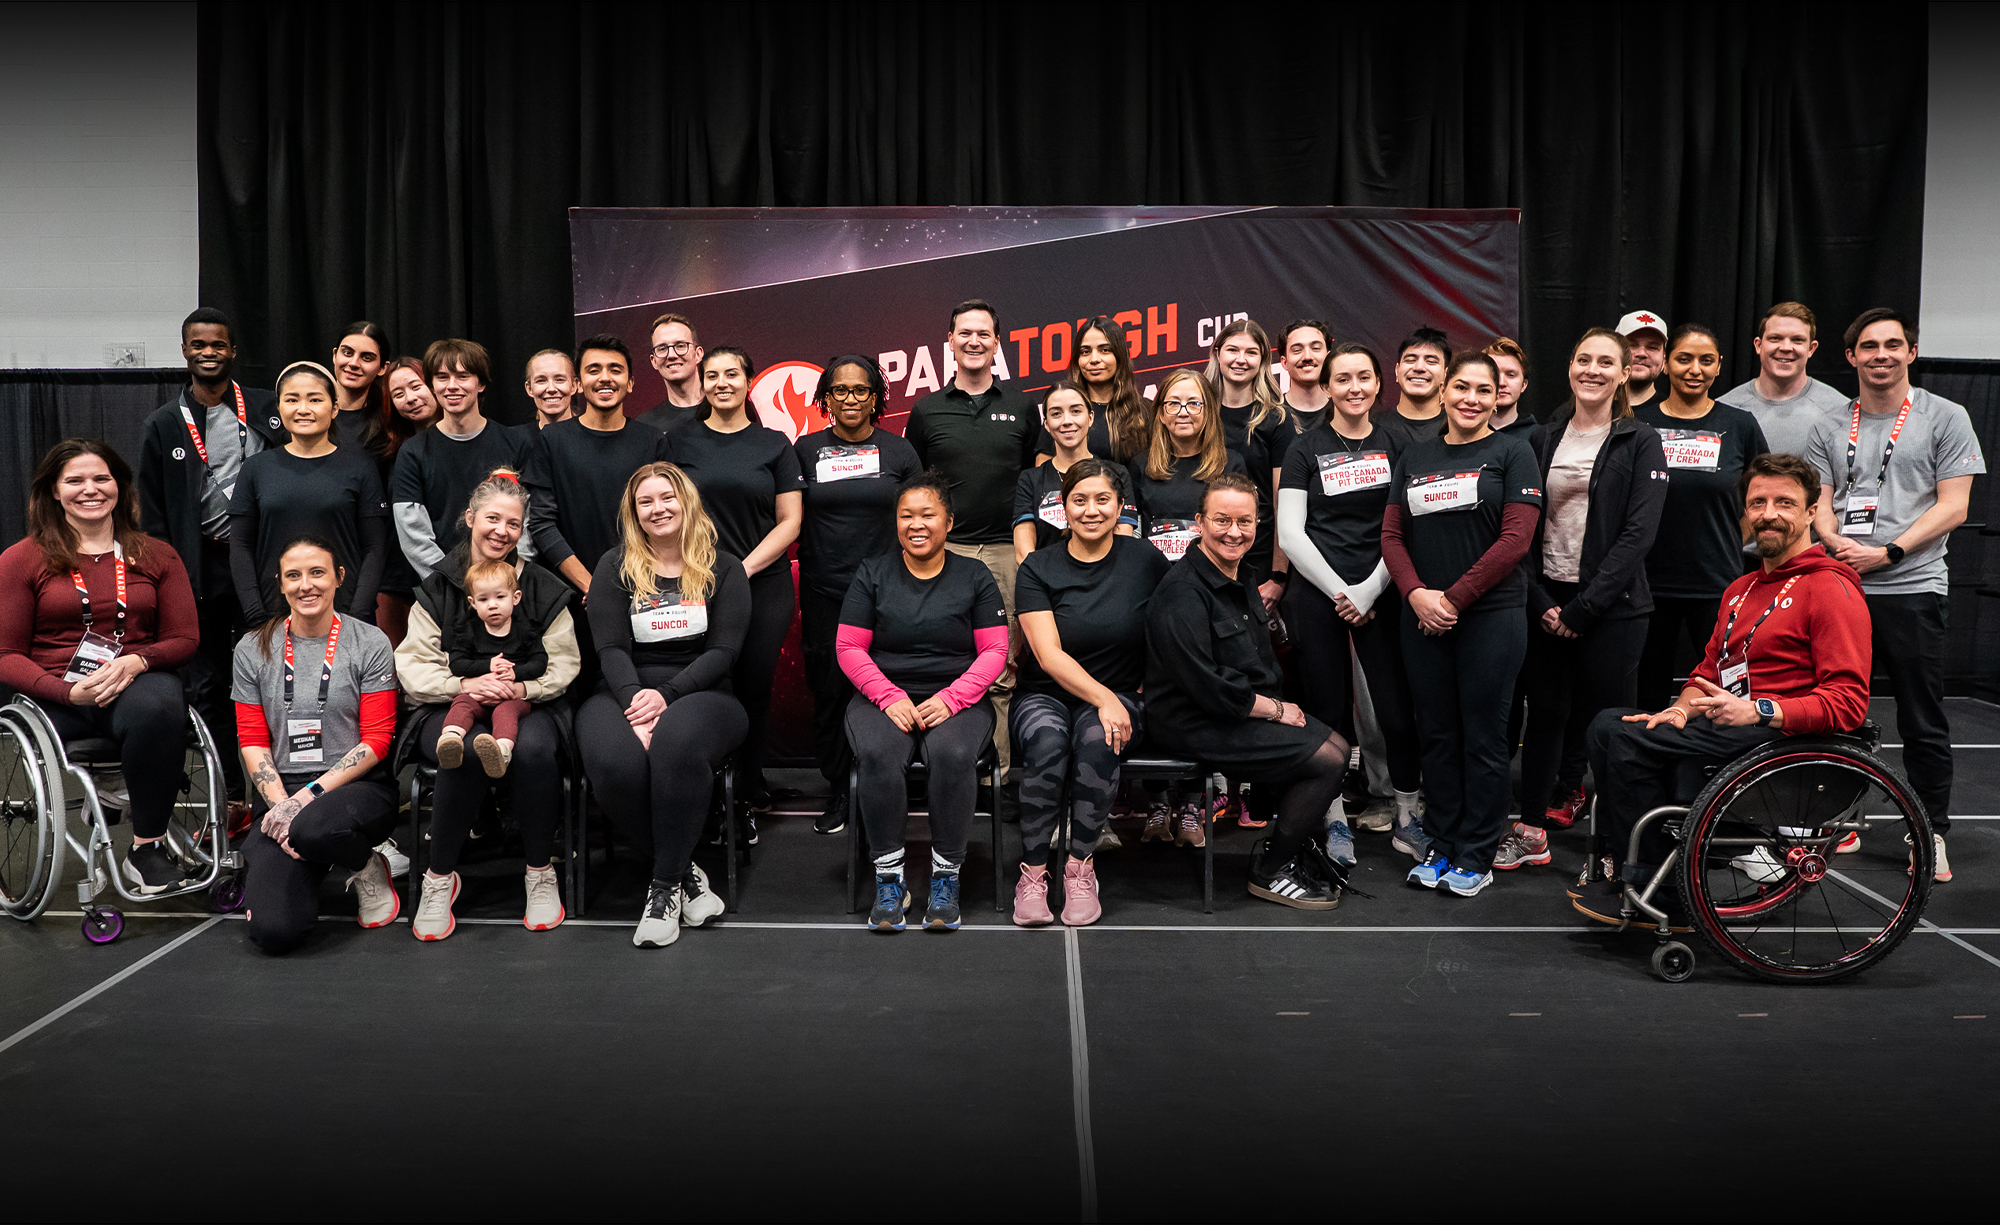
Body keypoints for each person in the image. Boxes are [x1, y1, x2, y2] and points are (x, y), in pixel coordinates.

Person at [1574, 453, 1872, 923]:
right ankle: (1641, 871)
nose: (1768, 513)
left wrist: (1760, 711)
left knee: (1626, 739)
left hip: (1783, 739)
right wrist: (1678, 712)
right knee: (1609, 725)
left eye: (1784, 503)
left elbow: (1849, 703)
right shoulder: (1741, 589)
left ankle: (1661, 890)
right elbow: (1708, 673)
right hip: (1731, 728)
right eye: (1758, 502)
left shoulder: (1830, 590)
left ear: (1812, 513)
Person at [1808, 308, 1985, 883]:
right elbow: (1819, 504)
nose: (1880, 354)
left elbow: (1954, 505)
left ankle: (1929, 831)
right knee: (1832, 714)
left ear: (1911, 352)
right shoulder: (1830, 424)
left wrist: (1888, 554)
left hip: (1911, 587)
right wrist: (1835, 543)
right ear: (1851, 356)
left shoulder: (1946, 416)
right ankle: (1829, 824)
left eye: (1892, 345)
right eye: (1868, 346)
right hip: (1841, 588)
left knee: (1921, 718)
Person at [1145, 472, 1352, 909]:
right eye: (1221, 520)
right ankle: (1272, 870)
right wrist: (1274, 711)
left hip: (1233, 709)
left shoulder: (1244, 578)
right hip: (1190, 718)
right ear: (1199, 522)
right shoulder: (1182, 591)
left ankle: (1290, 852)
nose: (1233, 532)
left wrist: (1276, 708)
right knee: (1327, 759)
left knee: (1335, 744)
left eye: (1245, 521)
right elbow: (1205, 685)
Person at [1, 440, 200, 894]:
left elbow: (185, 638)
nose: (90, 489)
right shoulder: (20, 560)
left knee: (162, 702)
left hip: (131, 685)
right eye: (75, 480)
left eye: (101, 478)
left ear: (119, 487)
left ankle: (145, 849)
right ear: (54, 491)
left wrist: (137, 660)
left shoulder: (157, 556)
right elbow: (5, 654)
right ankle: (111, 787)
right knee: (111, 709)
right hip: (57, 696)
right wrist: (67, 692)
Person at [1380, 351, 1544, 897]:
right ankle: (1442, 846)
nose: (1471, 398)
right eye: (1462, 387)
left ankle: (1476, 853)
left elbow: (1515, 541)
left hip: (1490, 618)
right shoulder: (1416, 455)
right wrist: (1416, 595)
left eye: (1484, 389)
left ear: (1498, 396)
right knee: (1438, 736)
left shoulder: (1513, 451)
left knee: (1484, 739)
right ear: (1445, 391)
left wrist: (1452, 598)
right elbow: (1391, 537)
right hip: (1423, 618)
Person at [394, 469, 581, 938]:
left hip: (528, 704)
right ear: (470, 518)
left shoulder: (541, 586)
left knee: (535, 751)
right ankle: (440, 878)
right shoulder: (436, 587)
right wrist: (466, 685)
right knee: (467, 749)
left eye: (513, 524)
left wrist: (522, 690)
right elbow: (414, 666)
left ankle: (540, 872)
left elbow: (563, 663)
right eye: (492, 519)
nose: (501, 531)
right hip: (449, 707)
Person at [1515, 330, 1669, 871]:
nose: (1593, 370)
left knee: (1611, 727)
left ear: (1625, 372)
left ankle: (1609, 847)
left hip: (1615, 608)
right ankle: (1529, 830)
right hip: (1546, 601)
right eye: (1584, 359)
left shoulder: (1641, 439)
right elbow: (1522, 527)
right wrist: (1540, 600)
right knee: (1547, 717)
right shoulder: (1541, 436)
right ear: (1571, 366)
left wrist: (1587, 607)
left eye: (1607, 362)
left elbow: (1638, 534)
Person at [578, 463, 748, 947]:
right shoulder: (614, 566)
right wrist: (635, 702)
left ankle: (661, 890)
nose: (658, 509)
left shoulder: (725, 567)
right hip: (622, 690)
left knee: (675, 744)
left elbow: (723, 652)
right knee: (613, 761)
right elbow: (610, 649)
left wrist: (666, 698)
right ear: (634, 513)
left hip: (704, 693)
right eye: (646, 502)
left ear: (687, 502)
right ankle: (685, 874)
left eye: (667, 498)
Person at [1276, 343, 1426, 866]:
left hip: (1382, 590)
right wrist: (1342, 591)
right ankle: (1333, 816)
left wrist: (1369, 590)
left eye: (1364, 377)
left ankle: (1408, 813)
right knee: (1328, 712)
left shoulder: (1398, 442)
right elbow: (1290, 533)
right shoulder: (1304, 447)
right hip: (1318, 595)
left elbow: (1407, 524)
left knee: (1396, 712)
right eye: (1343, 379)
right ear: (1328, 385)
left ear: (1378, 384)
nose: (1354, 388)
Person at [840, 473, 1009, 933]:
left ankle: (945, 877)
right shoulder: (872, 572)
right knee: (876, 754)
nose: (917, 524)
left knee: (954, 755)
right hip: (883, 695)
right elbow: (849, 648)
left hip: (957, 696)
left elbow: (995, 650)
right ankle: (890, 878)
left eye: (928, 514)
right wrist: (888, 695)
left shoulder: (974, 575)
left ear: (948, 521)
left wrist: (954, 698)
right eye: (906, 516)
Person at [1011, 459, 1171, 926]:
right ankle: (1034, 874)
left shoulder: (1146, 561)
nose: (1091, 510)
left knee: (1098, 738)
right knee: (1047, 740)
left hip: (1123, 695)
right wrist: (1104, 698)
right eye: (1079, 500)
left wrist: (1138, 689)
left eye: (1103, 500)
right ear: (1063, 507)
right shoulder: (1038, 566)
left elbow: (1170, 630)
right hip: (1046, 693)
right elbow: (1047, 653)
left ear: (1121, 506)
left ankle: (1080, 868)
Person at [137, 307, 285, 798]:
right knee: (210, 686)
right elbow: (154, 515)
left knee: (273, 677)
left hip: (265, 564)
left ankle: (285, 788)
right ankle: (232, 798)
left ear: (233, 351)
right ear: (184, 351)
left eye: (217, 344)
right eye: (198, 345)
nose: (208, 353)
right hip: (200, 568)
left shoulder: (268, 408)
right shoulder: (163, 424)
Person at [232, 537, 400, 954]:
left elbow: (378, 740)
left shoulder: (369, 643)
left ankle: (365, 864)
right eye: (293, 575)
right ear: (281, 584)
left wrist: (304, 802)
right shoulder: (252, 649)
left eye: (317, 572)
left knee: (316, 826)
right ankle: (308, 853)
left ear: (339, 578)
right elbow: (252, 740)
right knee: (274, 933)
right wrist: (280, 806)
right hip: (280, 793)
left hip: (355, 788)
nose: (306, 585)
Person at [664, 346, 803, 812]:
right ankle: (705, 782)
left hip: (762, 582)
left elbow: (790, 521)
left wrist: (739, 570)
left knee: (754, 681)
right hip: (691, 583)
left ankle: (749, 783)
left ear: (748, 382)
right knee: (705, 679)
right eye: (713, 375)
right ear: (702, 384)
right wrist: (710, 572)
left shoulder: (775, 445)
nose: (722, 382)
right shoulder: (679, 442)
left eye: (732, 374)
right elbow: (664, 511)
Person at [904, 300, 1039, 770]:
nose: (974, 341)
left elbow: (1036, 485)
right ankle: (953, 768)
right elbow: (915, 490)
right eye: (965, 333)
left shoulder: (1023, 408)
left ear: (997, 343)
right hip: (945, 554)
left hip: (1006, 550)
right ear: (950, 342)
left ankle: (995, 776)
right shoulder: (926, 410)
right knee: (952, 663)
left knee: (1001, 669)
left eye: (984, 333)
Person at [794, 355, 922, 836]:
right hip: (826, 590)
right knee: (830, 689)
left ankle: (886, 783)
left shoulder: (900, 453)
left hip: (888, 590)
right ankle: (839, 789)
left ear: (877, 399)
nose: (850, 399)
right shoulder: (805, 450)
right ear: (826, 398)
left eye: (861, 390)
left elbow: (919, 519)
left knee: (889, 685)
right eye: (840, 390)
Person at [1634, 324, 1769, 707]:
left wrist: (1732, 536)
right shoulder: (1637, 422)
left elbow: (1763, 495)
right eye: (1684, 358)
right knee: (1647, 694)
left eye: (1706, 360)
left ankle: (1716, 769)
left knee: (1719, 693)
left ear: (1718, 367)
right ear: (1665, 365)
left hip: (1716, 582)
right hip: (1645, 584)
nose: (1695, 369)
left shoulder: (1740, 425)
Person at [229, 362, 388, 625]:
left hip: (346, 614)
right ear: (279, 407)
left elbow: (374, 547)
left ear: (334, 408)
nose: (303, 409)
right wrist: (256, 614)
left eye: (315, 399)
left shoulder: (361, 468)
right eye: (292, 399)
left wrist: (357, 615)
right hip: (273, 616)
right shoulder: (256, 468)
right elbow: (241, 546)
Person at [525, 335, 672, 612]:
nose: (605, 378)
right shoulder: (551, 441)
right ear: (578, 384)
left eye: (615, 370)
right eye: (594, 370)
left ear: (630, 383)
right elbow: (542, 524)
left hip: (643, 590)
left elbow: (666, 520)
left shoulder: (653, 441)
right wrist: (591, 585)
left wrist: (640, 581)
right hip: (569, 596)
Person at [391, 339, 536, 583]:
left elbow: (527, 522)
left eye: (462, 376)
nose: (452, 386)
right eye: (442, 377)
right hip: (445, 587)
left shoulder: (516, 443)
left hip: (508, 585)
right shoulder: (413, 452)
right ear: (432, 385)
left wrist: (507, 579)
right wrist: (454, 582)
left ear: (480, 383)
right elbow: (414, 537)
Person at [434, 559, 546, 777]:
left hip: (510, 697)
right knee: (462, 702)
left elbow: (539, 662)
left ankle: (501, 751)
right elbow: (457, 664)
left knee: (507, 712)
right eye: (483, 599)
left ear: (516, 598)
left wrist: (516, 674)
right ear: (473, 602)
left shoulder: (525, 630)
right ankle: (450, 740)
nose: (492, 605)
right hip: (478, 695)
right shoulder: (469, 630)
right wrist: (487, 666)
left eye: (500, 597)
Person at [1128, 368, 1245, 562]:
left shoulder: (1231, 464)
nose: (1183, 412)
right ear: (1161, 414)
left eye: (1194, 403)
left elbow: (1239, 532)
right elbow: (1134, 534)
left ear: (1208, 412)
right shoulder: (1140, 465)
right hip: (1155, 579)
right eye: (1173, 404)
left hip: (1212, 578)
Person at [1013, 382, 1136, 560]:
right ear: (1046, 424)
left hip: (1105, 582)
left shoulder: (1117, 473)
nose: (1067, 421)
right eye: (1056, 414)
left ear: (1091, 417)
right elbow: (1024, 552)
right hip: (1047, 583)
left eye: (1076, 411)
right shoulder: (1031, 479)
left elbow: (1123, 541)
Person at [1717, 302, 1852, 460]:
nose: (1786, 347)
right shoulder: (1726, 409)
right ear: (1758, 345)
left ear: (1811, 349)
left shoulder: (1840, 411)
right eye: (1775, 338)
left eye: (1797, 340)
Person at [1204, 319, 1282, 578]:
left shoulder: (1276, 420)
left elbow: (1282, 505)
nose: (1241, 359)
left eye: (1251, 352)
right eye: (1233, 350)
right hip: (1205, 551)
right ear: (1217, 353)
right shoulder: (1198, 415)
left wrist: (1278, 575)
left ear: (1263, 360)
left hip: (1258, 554)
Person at [374, 357, 443, 647]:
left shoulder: (468, 441)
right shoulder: (388, 452)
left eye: (416, 386)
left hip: (454, 574)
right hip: (398, 577)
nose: (410, 398)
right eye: (398, 394)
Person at [1032, 315, 1136, 463]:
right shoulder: (1061, 412)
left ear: (1120, 355)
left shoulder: (1143, 412)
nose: (1094, 359)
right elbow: (1043, 476)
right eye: (1085, 352)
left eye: (1105, 350)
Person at [1377, 326, 1450, 449]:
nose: (1419, 367)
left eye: (1431, 361)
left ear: (1446, 375)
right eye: (1410, 360)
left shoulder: (1457, 428)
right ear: (1397, 371)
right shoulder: (1373, 426)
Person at [330, 322, 391, 463]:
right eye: (347, 353)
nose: (353, 363)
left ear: (382, 368)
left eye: (366, 358)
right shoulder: (311, 412)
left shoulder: (389, 421)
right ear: (334, 355)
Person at [635, 313, 706, 435]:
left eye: (680, 346)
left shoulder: (726, 409)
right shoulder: (645, 427)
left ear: (698, 354)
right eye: (662, 348)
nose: (672, 355)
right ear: (654, 361)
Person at [1485, 337, 1545, 452]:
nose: (1501, 383)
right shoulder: (1466, 431)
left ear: (1524, 385)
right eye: (1494, 374)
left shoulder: (1539, 437)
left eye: (1511, 375)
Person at [1615, 309, 1669, 410]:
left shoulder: (1675, 416)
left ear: (1664, 360)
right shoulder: (1590, 411)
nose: (1641, 353)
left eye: (1652, 347)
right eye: (1631, 345)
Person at [523, 348, 577, 429]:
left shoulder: (592, 439)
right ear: (529, 389)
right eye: (541, 381)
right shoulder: (515, 440)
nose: (551, 389)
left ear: (573, 385)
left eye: (560, 380)